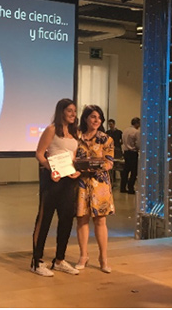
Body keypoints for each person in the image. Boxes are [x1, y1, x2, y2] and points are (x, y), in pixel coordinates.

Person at [31, 98, 81, 277]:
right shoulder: (51, 129)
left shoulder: (75, 133)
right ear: (61, 112)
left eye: (74, 111)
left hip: (69, 179)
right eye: (69, 111)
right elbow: (39, 154)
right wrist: (50, 168)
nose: (73, 114)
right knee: (44, 219)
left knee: (66, 219)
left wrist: (75, 170)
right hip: (52, 179)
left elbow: (72, 156)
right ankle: (37, 261)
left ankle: (59, 260)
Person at [75, 105, 115, 274]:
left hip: (100, 185)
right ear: (85, 118)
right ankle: (83, 256)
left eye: (99, 117)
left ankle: (103, 258)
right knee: (82, 220)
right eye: (93, 116)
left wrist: (95, 165)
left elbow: (109, 162)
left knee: (100, 221)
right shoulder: (76, 137)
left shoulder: (106, 139)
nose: (96, 120)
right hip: (81, 183)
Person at [121, 117, 141, 194]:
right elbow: (138, 144)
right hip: (133, 153)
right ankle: (130, 188)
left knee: (126, 170)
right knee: (134, 171)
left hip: (126, 152)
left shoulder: (125, 130)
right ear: (137, 123)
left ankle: (122, 187)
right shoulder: (136, 132)